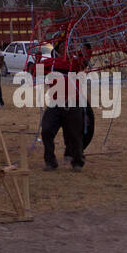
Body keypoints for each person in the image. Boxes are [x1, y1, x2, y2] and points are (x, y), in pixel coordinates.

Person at [38, 39, 89, 172]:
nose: (63, 48)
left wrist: (85, 47)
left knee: (75, 135)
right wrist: (36, 60)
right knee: (47, 131)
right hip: (55, 103)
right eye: (61, 46)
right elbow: (35, 70)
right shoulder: (50, 63)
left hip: (73, 102)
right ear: (57, 48)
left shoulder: (75, 61)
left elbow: (85, 62)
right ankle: (50, 162)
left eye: (65, 46)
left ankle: (77, 162)